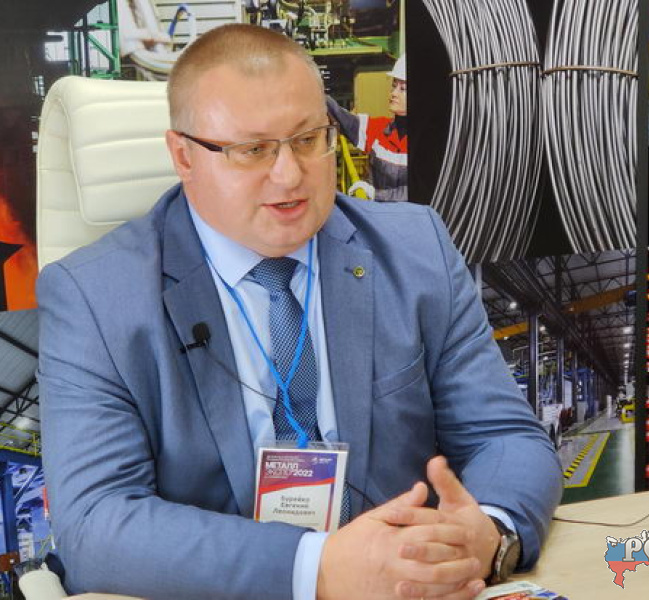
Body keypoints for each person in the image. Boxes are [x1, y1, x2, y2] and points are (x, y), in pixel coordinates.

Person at [37, 24, 562, 600]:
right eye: (252, 150)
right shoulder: (94, 296)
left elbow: (505, 436)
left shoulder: (416, 250)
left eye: (309, 139)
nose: (289, 175)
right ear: (183, 156)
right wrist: (319, 568)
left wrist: (487, 531)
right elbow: (96, 524)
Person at [326, 55, 408, 202]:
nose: (393, 93)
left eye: (403, 89)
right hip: (378, 213)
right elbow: (342, 118)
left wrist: (374, 194)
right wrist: (317, 92)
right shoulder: (379, 129)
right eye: (394, 86)